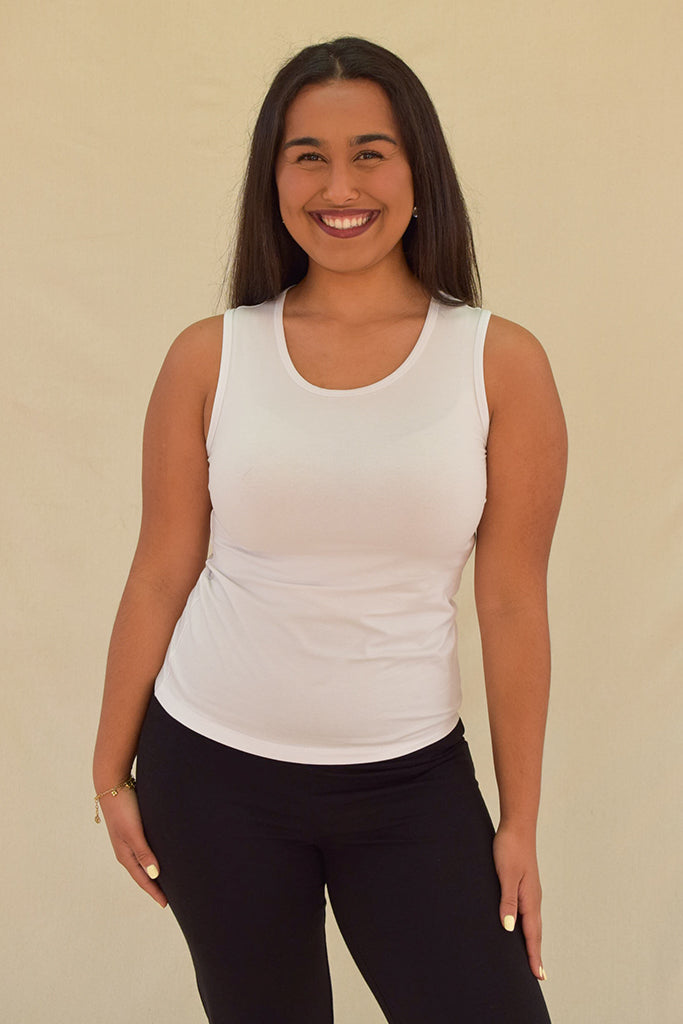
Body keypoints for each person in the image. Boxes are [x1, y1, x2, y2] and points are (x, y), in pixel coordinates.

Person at [93, 36, 567, 1024]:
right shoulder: (209, 357)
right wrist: (111, 765)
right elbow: (158, 572)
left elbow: (512, 600)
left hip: (409, 788)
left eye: (368, 152)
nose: (337, 184)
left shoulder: (497, 363)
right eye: (306, 154)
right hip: (209, 774)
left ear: (416, 170)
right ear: (272, 175)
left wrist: (518, 822)